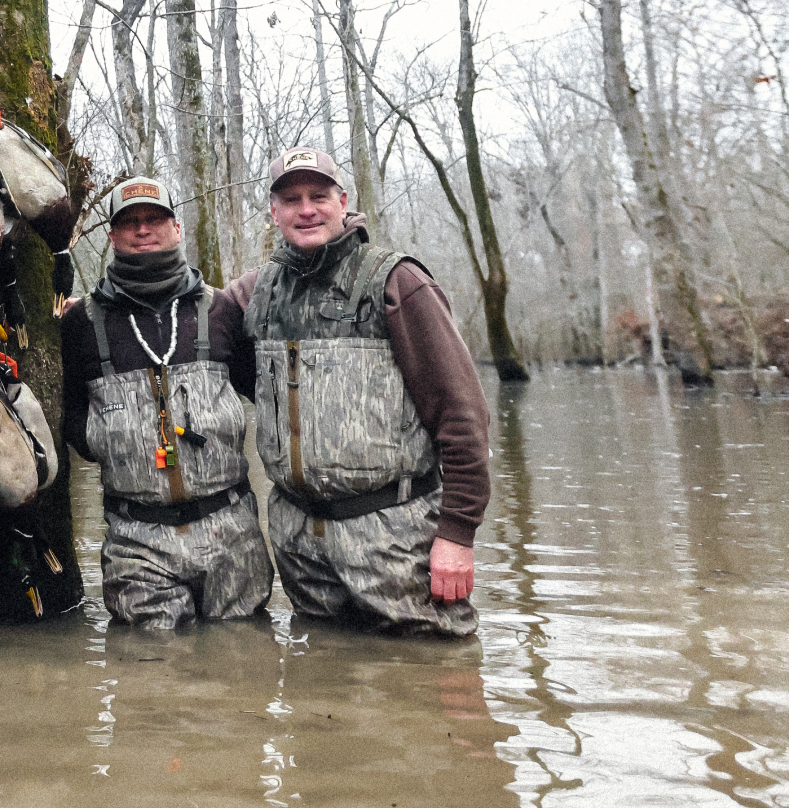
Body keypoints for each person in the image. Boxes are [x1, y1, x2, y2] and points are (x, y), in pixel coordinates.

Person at [229, 147, 490, 637]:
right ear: (274, 211)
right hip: (300, 544)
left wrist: (458, 533)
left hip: (396, 537)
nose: (306, 209)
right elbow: (182, 318)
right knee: (323, 691)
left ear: (343, 201)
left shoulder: (397, 282)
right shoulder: (254, 293)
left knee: (431, 684)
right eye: (291, 199)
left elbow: (462, 413)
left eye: (318, 195)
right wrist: (80, 314)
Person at [61, 177, 271, 628]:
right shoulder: (81, 322)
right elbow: (71, 415)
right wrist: (106, 439)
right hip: (135, 537)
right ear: (113, 236)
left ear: (176, 228)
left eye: (154, 219)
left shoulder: (221, 310)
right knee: (152, 675)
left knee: (244, 664)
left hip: (232, 531)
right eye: (129, 222)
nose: (143, 230)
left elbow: (265, 397)